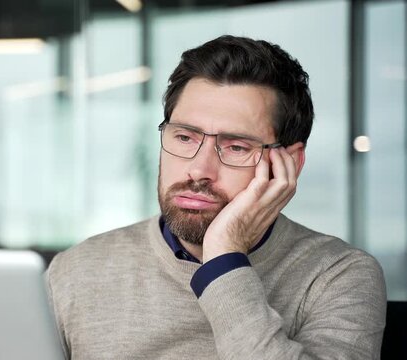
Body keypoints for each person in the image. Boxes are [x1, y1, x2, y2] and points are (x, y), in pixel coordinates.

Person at [45, 35, 387, 359]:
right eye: (184, 137)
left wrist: (224, 256)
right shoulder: (75, 270)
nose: (198, 169)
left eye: (236, 146)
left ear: (289, 162)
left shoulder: (337, 275)